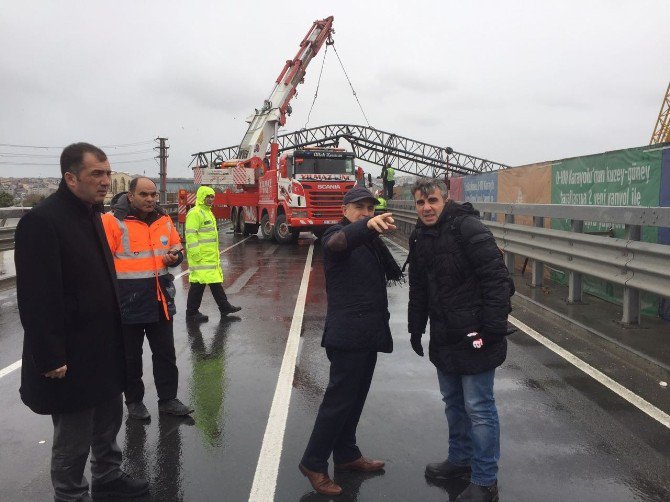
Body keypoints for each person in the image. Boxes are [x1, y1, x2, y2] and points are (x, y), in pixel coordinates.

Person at [15, 142, 149, 502]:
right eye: (97, 174)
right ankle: (71, 495)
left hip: (104, 345)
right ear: (70, 177)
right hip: (70, 352)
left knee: (108, 419)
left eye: (108, 173)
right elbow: (36, 298)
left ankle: (107, 476)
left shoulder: (92, 214)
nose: (106, 181)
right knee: (73, 436)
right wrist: (50, 356)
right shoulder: (42, 221)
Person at [407, 179, 513, 502]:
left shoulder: (467, 228)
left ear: (446, 199)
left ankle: (485, 480)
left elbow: (498, 280)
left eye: (433, 201)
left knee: (479, 407)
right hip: (444, 336)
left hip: (477, 334)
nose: (427, 208)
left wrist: (493, 328)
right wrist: (416, 327)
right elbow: (419, 288)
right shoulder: (419, 235)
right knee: (453, 403)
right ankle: (459, 459)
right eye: (421, 203)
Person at [299, 186, 403, 496]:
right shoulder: (338, 234)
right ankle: (313, 462)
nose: (366, 212)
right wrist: (366, 226)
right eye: (359, 207)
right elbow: (338, 243)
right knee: (338, 402)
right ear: (345, 210)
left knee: (355, 399)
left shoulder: (370, 243)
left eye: (370, 208)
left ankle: (347, 454)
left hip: (368, 332)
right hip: (347, 336)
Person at [102, 177, 193, 420]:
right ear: (130, 196)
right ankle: (134, 401)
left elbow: (177, 245)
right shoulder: (113, 222)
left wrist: (175, 255)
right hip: (127, 302)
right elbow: (102, 262)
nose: (151, 199)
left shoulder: (163, 220)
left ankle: (168, 399)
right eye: (144, 194)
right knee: (130, 357)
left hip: (160, 298)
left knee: (165, 354)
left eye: (153, 194)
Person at [185, 185, 241, 322]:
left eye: (212, 197)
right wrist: (196, 254)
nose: (210, 199)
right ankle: (191, 313)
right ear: (201, 197)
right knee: (198, 284)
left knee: (215, 281)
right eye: (207, 197)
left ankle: (224, 306)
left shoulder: (208, 212)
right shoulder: (195, 213)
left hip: (209, 257)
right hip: (200, 257)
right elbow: (191, 235)